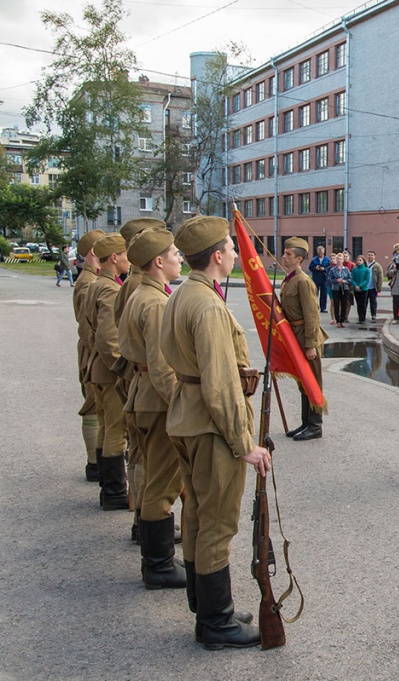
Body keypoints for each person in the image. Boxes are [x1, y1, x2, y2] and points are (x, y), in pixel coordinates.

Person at [161, 215, 271, 649]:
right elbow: (221, 382)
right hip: (211, 426)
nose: (234, 251)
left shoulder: (185, 292)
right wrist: (244, 444)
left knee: (198, 515)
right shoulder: (206, 304)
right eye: (229, 245)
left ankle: (205, 602)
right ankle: (216, 622)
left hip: (189, 417)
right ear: (217, 256)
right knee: (218, 522)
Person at [118, 228, 186, 589]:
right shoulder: (157, 303)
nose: (180, 258)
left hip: (141, 397)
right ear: (158, 261)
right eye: (175, 253)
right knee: (162, 485)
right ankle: (158, 566)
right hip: (157, 404)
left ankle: (155, 560)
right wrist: (182, 407)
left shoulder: (141, 293)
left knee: (152, 481)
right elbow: (162, 368)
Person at [85, 233, 133, 511]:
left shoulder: (97, 283)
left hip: (98, 370)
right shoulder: (111, 290)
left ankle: (108, 487)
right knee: (117, 430)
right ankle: (115, 492)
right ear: (114, 258)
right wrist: (122, 369)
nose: (128, 260)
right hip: (110, 372)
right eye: (125, 255)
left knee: (106, 427)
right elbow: (107, 338)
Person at [280, 237, 328, 441]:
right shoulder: (289, 279)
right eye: (284, 253)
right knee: (302, 381)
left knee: (312, 381)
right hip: (295, 337)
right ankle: (306, 422)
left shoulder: (303, 282)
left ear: (299, 258)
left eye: (288, 254)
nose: (284, 256)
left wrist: (310, 345)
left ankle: (315, 426)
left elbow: (312, 316)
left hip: (307, 338)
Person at [73, 229, 105, 483]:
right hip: (92, 352)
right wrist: (99, 357)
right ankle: (95, 464)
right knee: (93, 406)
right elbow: (87, 327)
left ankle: (98, 462)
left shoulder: (92, 279)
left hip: (93, 351)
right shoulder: (88, 282)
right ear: (95, 252)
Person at [327, 255, 352, 327]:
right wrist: (336, 280)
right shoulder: (332, 270)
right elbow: (329, 279)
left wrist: (345, 281)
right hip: (336, 288)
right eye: (337, 259)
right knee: (336, 304)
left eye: (340, 259)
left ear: (343, 260)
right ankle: (337, 320)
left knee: (344, 304)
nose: (339, 260)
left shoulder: (346, 269)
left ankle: (342, 320)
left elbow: (350, 279)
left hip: (345, 288)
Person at [309, 245, 330, 313]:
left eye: (321, 252)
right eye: (319, 252)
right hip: (316, 278)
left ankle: (323, 308)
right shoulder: (314, 259)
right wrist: (315, 268)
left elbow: (329, 268)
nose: (320, 254)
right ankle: (314, 307)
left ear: (324, 252)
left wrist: (324, 269)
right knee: (315, 293)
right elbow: (310, 267)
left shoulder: (327, 259)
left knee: (324, 293)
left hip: (324, 278)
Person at [365, 250, 384, 321]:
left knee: (373, 302)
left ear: (374, 256)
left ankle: (373, 314)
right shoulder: (364, 264)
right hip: (365, 287)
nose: (370, 256)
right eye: (369, 255)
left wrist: (379, 288)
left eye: (372, 255)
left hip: (373, 287)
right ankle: (363, 315)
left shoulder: (377, 266)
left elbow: (380, 277)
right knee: (364, 302)